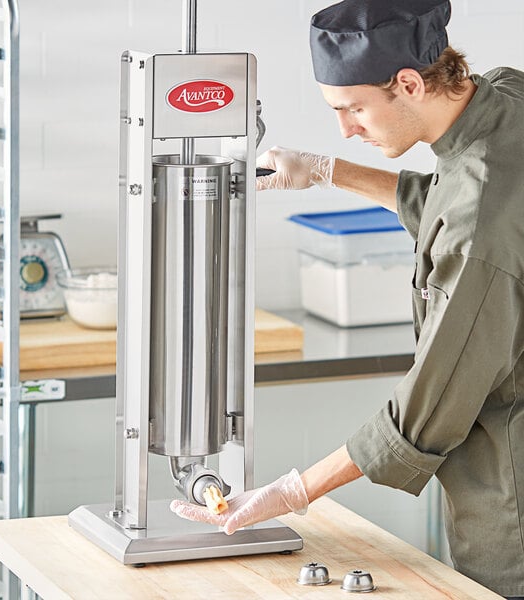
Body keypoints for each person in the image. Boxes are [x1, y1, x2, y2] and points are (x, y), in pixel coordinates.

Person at [170, 0, 524, 597]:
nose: (347, 127)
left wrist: (292, 492)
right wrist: (326, 170)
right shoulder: (506, 97)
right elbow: (450, 197)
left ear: (408, 83)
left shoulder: (479, 218)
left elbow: (425, 408)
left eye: (354, 108)